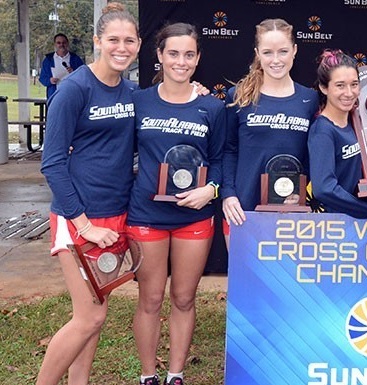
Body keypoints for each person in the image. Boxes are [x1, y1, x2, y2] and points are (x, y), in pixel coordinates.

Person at [37, 3, 140, 385]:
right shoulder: (74, 89)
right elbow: (51, 164)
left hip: (115, 216)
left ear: (139, 44)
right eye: (113, 39)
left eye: (129, 40)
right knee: (89, 316)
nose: (121, 47)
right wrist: (84, 224)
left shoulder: (132, 92)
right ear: (98, 41)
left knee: (98, 311)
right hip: (77, 217)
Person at [126, 23, 225, 385]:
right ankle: (148, 376)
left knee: (184, 298)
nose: (180, 62)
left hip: (193, 217)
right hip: (146, 215)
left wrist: (211, 190)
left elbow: (220, 158)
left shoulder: (212, 107)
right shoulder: (138, 101)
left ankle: (176, 375)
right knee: (150, 299)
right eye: (173, 54)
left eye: (188, 54)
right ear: (159, 56)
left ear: (198, 58)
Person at [222, 18, 318, 238]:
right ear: (257, 53)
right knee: (244, 274)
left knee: (286, 274)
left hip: (292, 211)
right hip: (242, 211)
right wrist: (228, 195)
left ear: (295, 50)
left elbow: (315, 155)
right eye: (267, 52)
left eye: (283, 51)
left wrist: (304, 193)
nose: (276, 60)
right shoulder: (238, 97)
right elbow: (228, 150)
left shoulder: (310, 99)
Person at [307, 49, 367, 218]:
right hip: (334, 224)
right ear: (324, 88)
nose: (349, 93)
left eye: (354, 84)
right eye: (340, 85)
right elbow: (324, 189)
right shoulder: (323, 131)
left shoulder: (357, 121)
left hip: (355, 224)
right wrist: (366, 209)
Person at [39, 33, 86, 100]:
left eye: (64, 42)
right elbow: (42, 78)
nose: (61, 45)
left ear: (67, 43)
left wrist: (74, 72)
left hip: (72, 94)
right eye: (59, 43)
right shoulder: (48, 60)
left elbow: (84, 76)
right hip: (54, 95)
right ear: (55, 44)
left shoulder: (75, 59)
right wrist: (50, 80)